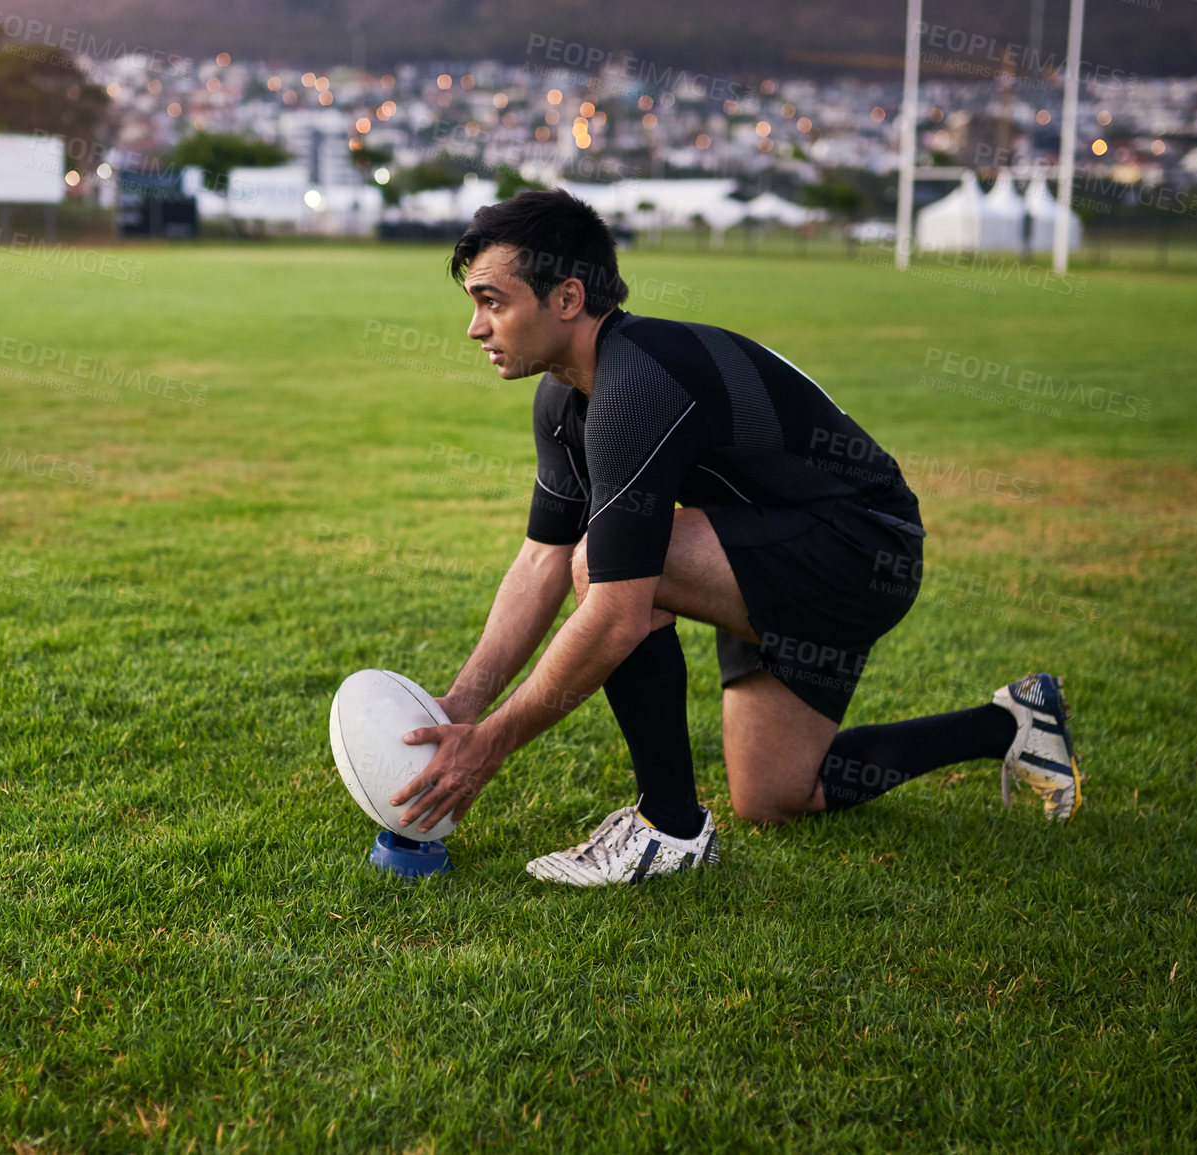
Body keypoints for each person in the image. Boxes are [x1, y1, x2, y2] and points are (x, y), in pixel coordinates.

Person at [388, 189, 1081, 887]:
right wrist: (458, 707)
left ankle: (670, 826)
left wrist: (491, 746)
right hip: (765, 550)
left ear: (567, 297)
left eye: (492, 300)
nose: (475, 327)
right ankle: (1010, 723)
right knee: (775, 793)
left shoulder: (637, 383)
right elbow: (540, 557)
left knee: (612, 565)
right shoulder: (565, 397)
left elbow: (617, 610)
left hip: (860, 552)